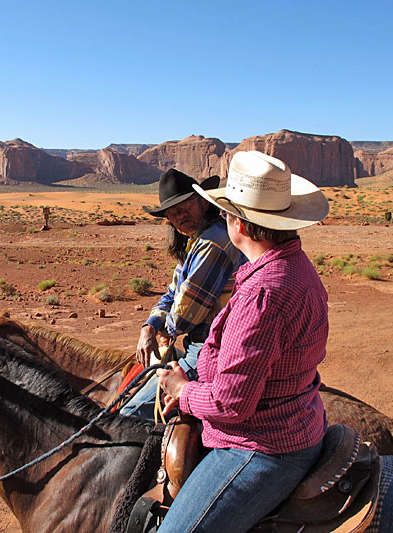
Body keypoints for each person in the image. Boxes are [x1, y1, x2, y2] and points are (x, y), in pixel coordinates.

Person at [156, 150, 331, 532]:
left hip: (263, 446)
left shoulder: (262, 294)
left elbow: (231, 403)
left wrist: (183, 390)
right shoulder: (294, 267)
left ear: (238, 223)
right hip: (298, 420)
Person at [119, 169, 246, 419]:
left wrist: (164, 328)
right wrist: (149, 327)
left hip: (211, 348)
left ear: (202, 201)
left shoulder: (212, 243)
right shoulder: (197, 240)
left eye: (185, 205)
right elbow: (172, 293)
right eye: (172, 212)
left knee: (129, 414)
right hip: (201, 344)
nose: (180, 215)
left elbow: (184, 316)